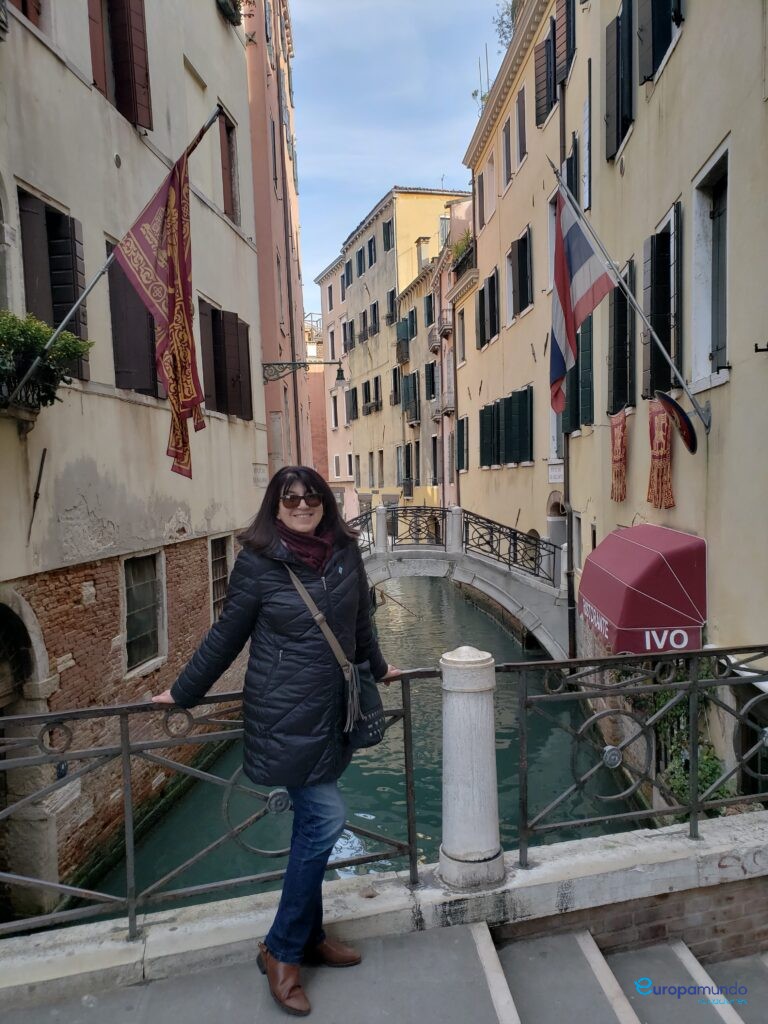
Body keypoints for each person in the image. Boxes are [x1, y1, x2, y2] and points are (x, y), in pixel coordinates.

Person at [153, 466, 399, 1017]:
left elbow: (361, 626)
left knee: (314, 824)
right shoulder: (258, 564)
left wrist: (379, 668)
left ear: (325, 504)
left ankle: (309, 936)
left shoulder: (345, 555)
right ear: (276, 505)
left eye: (312, 496)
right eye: (291, 498)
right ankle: (281, 950)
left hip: (334, 713)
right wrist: (184, 691)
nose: (303, 504)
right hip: (282, 716)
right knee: (327, 819)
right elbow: (227, 635)